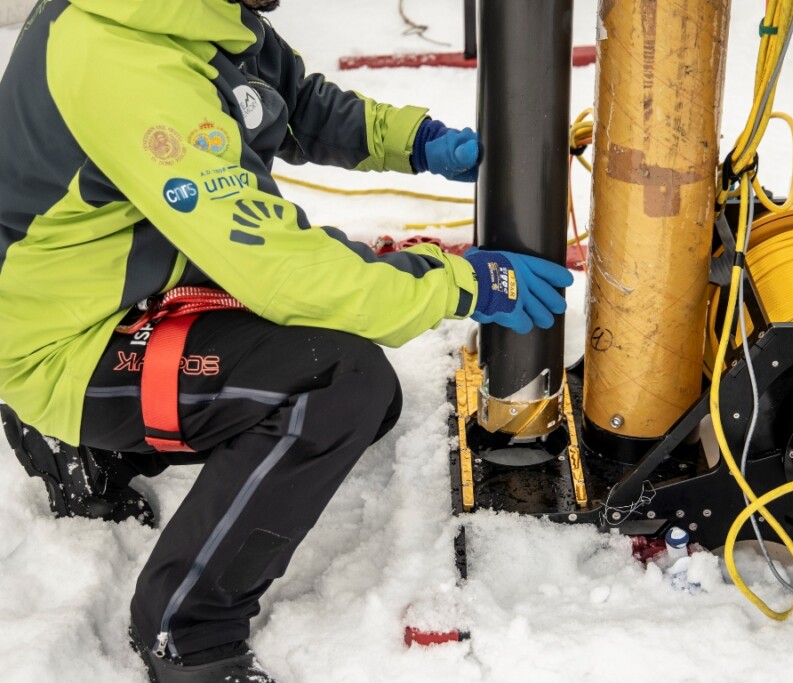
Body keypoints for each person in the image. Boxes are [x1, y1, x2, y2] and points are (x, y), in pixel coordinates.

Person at [0, 1, 573, 681]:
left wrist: (415, 141)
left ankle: (97, 448)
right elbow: (282, 268)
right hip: (62, 343)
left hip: (116, 284)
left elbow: (283, 101)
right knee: (333, 387)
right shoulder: (129, 63)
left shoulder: (184, 9)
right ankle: (187, 629)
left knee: (358, 389)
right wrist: (459, 284)